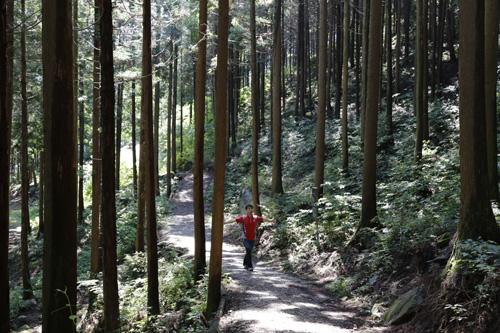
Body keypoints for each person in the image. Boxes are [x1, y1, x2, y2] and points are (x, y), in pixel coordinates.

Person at [224, 204, 277, 271]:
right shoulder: (243, 218)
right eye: (249, 208)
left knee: (249, 252)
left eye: (251, 208)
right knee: (248, 250)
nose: (250, 210)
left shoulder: (255, 217)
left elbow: (263, 219)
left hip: (252, 238)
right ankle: (250, 266)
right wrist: (224, 222)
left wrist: (270, 220)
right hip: (245, 237)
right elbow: (234, 220)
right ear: (246, 210)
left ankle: (245, 263)